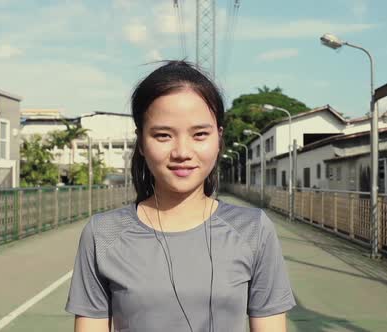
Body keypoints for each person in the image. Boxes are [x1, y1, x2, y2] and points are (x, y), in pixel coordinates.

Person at [65, 60, 296, 332]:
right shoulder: (102, 233)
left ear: (219, 138)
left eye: (200, 134)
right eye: (163, 135)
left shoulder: (253, 229)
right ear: (141, 142)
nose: (182, 152)